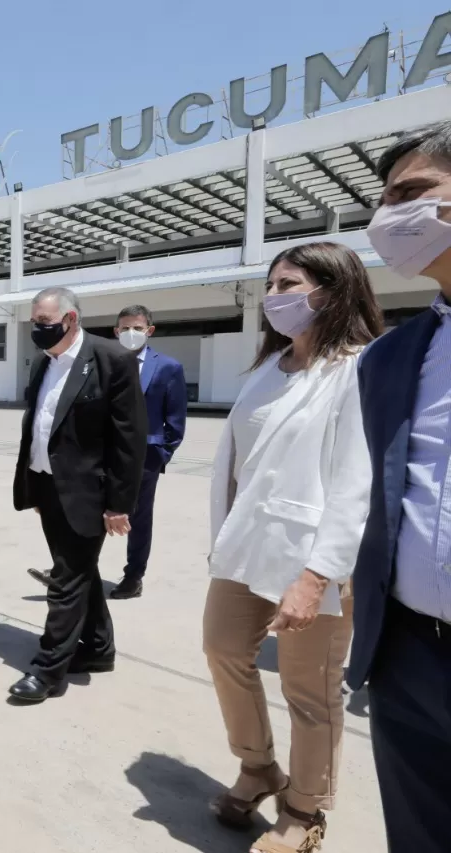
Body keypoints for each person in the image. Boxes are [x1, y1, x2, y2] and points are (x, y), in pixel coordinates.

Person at [204, 241, 380, 853]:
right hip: (244, 546)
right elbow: (235, 465)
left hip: (310, 556)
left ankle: (305, 809)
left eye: (288, 284)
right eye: (272, 285)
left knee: (310, 689)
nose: (274, 297)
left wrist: (318, 574)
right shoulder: (265, 368)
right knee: (224, 651)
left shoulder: (358, 368)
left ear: (329, 293)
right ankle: (257, 767)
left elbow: (358, 480)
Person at [349, 121, 451, 853]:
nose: (391, 218)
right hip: (409, 659)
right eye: (385, 202)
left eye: (413, 194)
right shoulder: (392, 358)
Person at [8, 287, 145, 705]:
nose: (37, 330)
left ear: (70, 320)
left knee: (66, 578)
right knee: (79, 573)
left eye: (44, 323)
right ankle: (99, 650)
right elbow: (39, 423)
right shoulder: (42, 362)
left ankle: (49, 670)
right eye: (34, 322)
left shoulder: (112, 360)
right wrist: (33, 482)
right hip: (48, 486)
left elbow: (129, 439)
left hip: (89, 492)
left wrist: (119, 504)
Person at [108, 305, 187, 600]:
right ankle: (77, 566)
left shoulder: (167, 367)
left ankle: (133, 576)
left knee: (139, 519)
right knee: (90, 511)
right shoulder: (105, 363)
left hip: (145, 457)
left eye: (137, 328)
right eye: (125, 327)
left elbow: (175, 420)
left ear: (149, 331)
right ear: (116, 332)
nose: (131, 333)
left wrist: (161, 453)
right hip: (105, 455)